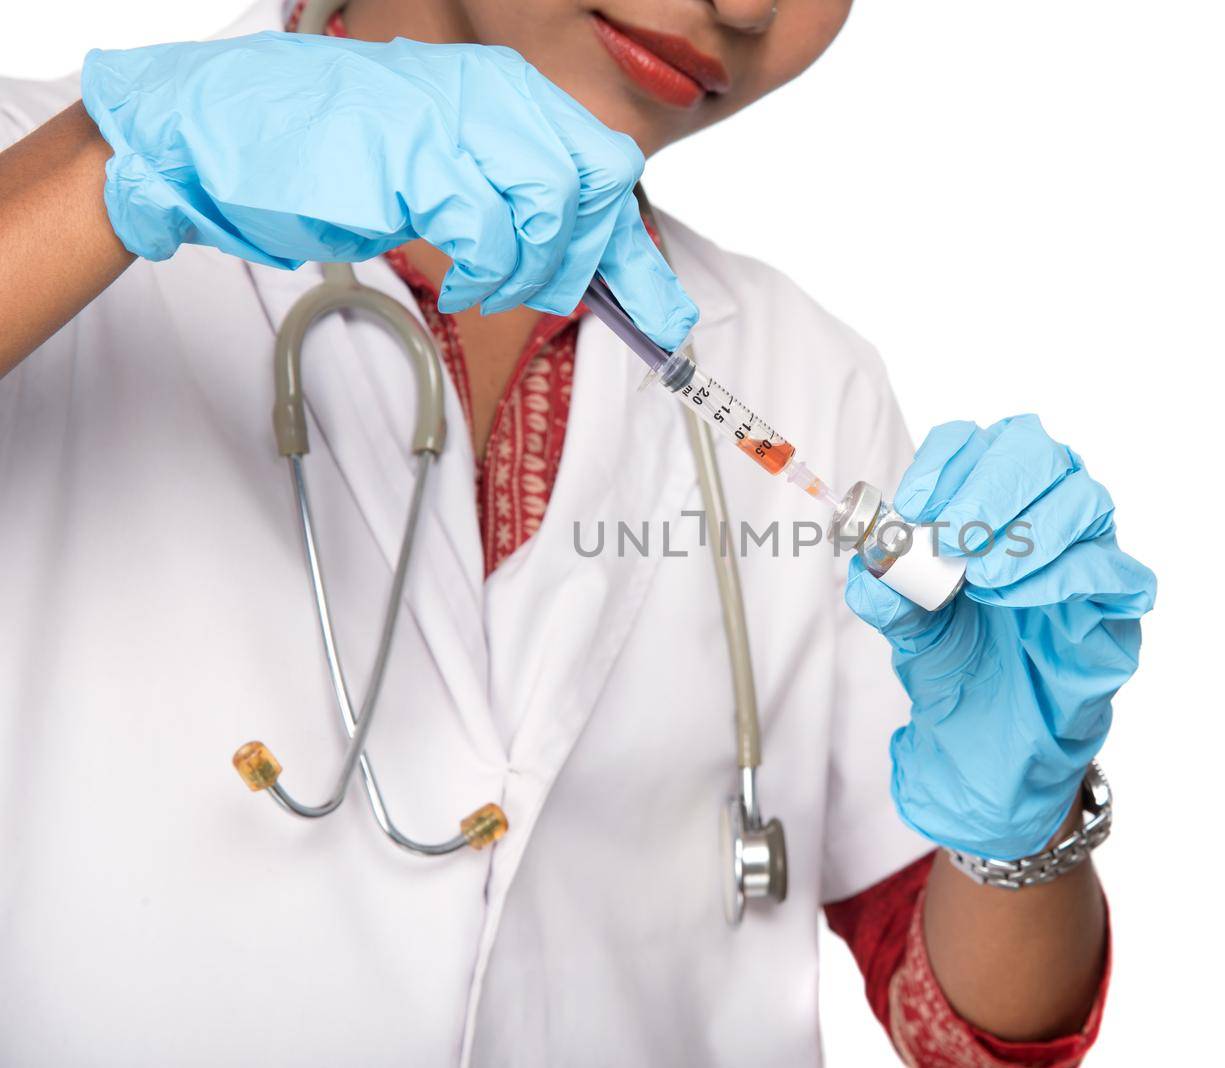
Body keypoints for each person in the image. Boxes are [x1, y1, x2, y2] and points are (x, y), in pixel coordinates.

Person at [0, 0, 1155, 1063]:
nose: (748, 4)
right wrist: (114, 171)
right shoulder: (45, 176)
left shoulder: (812, 377)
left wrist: (1020, 817)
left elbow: (970, 1032)